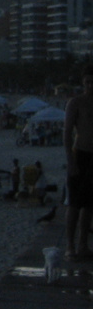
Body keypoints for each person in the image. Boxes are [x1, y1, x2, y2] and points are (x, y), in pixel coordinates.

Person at [65, 67, 93, 258]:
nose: (91, 86)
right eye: (87, 82)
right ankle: (70, 246)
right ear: (83, 83)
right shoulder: (76, 102)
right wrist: (71, 161)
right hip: (79, 155)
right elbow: (66, 134)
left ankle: (83, 244)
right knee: (74, 204)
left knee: (89, 205)